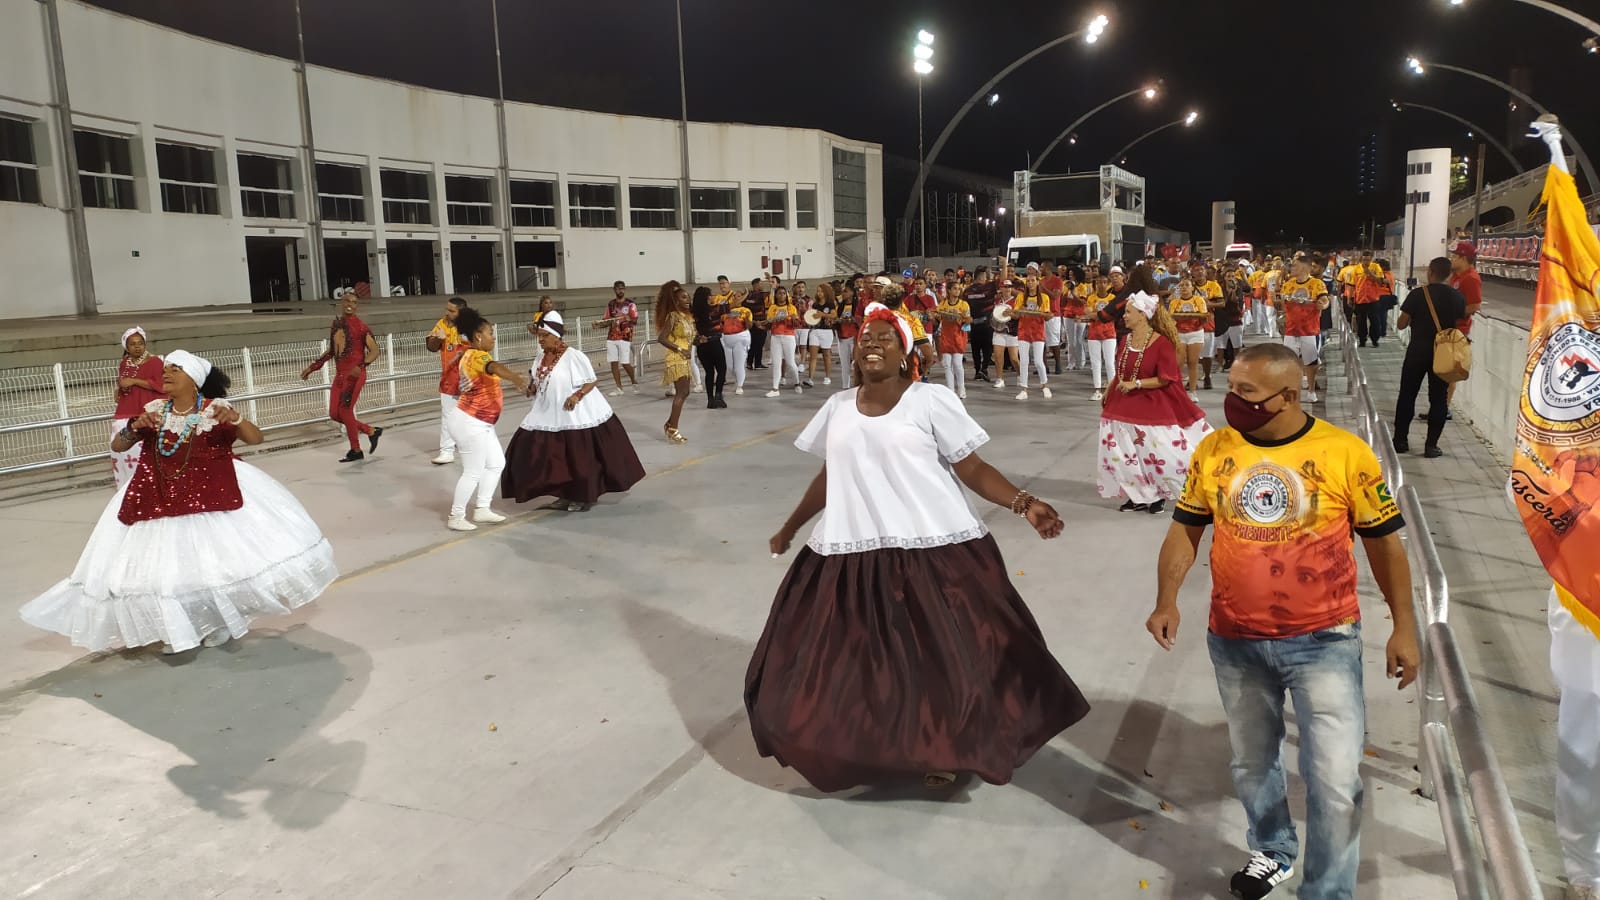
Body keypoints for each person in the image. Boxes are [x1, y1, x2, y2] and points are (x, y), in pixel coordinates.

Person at [745, 306, 1089, 792]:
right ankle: (875, 745)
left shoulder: (930, 401)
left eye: (886, 337)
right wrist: (791, 526)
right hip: (850, 552)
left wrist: (1024, 504)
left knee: (940, 659)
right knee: (856, 664)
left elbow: (971, 468)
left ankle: (944, 750)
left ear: (906, 351)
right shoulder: (838, 407)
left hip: (933, 549)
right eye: (866, 337)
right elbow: (830, 477)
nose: (872, 344)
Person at [1146, 342, 1418, 900]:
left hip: (1324, 641)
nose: (1232, 401)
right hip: (1235, 640)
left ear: (1289, 395)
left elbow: (1385, 546)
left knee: (1336, 782)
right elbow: (1186, 528)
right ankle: (1273, 851)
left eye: (1246, 392)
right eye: (1232, 386)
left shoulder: (1345, 453)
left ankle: (1328, 890)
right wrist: (1166, 598)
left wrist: (1404, 626)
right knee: (1251, 763)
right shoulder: (1214, 450)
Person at [22, 350, 336, 653]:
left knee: (209, 565)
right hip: (156, 495)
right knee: (165, 570)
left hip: (209, 497)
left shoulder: (214, 410)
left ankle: (217, 621)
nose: (167, 373)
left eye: (176, 369)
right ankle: (177, 627)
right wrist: (134, 428)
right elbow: (118, 446)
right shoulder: (156, 410)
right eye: (166, 369)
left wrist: (237, 418)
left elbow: (255, 439)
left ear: (194, 379)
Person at [500, 311, 646, 513]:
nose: (540, 340)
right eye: (539, 336)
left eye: (544, 335)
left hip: (574, 414)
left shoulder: (574, 356)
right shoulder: (540, 358)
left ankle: (582, 496)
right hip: (547, 413)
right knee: (546, 456)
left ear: (556, 335)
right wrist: (531, 389)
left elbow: (591, 380)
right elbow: (537, 380)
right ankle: (563, 495)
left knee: (578, 458)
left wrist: (577, 396)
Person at [1096, 291, 1211, 514]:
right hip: (1120, 404)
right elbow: (1121, 371)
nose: (1124, 317)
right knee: (1124, 453)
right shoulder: (1125, 340)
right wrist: (1109, 390)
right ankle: (1137, 494)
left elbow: (1165, 378)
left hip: (1151, 403)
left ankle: (1159, 494)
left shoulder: (1161, 343)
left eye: (1128, 312)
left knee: (1156, 452)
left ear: (1142, 315)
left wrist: (1135, 384)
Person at [443, 308, 529, 532]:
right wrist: (513, 377)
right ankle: (456, 516)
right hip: (470, 421)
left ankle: (482, 509)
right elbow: (494, 368)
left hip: (480, 422)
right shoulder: (477, 355)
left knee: (496, 463)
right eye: (491, 333)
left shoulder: (474, 355)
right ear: (478, 336)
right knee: (473, 471)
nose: (494, 337)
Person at [1393, 257, 1467, 458]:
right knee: (1439, 400)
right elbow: (1462, 318)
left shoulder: (1418, 294)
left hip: (1417, 352)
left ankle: (1400, 441)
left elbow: (1401, 324)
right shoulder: (1457, 296)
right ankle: (1431, 446)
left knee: (1407, 395)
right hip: (1443, 356)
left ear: (1430, 272)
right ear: (1449, 274)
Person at [301, 291, 383, 463]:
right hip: (340, 376)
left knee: (345, 411)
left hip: (354, 375)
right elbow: (332, 350)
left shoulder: (361, 327)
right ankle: (370, 431)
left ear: (357, 305)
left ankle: (356, 449)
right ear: (341, 302)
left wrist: (361, 366)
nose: (349, 304)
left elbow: (375, 351)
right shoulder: (336, 323)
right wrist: (313, 366)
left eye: (353, 302)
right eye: (347, 300)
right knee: (334, 414)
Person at [110, 326, 165, 488]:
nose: (137, 346)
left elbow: (162, 386)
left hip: (146, 411)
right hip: (126, 409)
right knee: (120, 450)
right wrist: (120, 387)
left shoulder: (155, 362)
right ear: (126, 346)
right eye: (133, 344)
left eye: (140, 343)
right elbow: (123, 380)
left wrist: (135, 382)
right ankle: (125, 487)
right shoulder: (124, 363)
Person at [1279, 258, 1329, 404]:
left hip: (1309, 330)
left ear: (1305, 268)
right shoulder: (1288, 285)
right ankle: (1292, 390)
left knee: (1311, 362)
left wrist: (1323, 305)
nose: (1292, 268)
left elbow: (1324, 300)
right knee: (1290, 362)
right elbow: (1283, 305)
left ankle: (1311, 390)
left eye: (1295, 265)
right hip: (1290, 330)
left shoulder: (1316, 284)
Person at [427, 297, 469, 465]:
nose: (447, 313)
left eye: (452, 311)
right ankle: (446, 451)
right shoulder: (442, 324)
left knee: (472, 416)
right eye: (447, 309)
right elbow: (431, 346)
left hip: (470, 380)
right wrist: (438, 338)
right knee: (448, 417)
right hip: (449, 380)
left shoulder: (472, 326)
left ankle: (471, 444)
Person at [1445, 240, 1484, 415]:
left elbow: (1475, 305)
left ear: (1463, 258)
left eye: (1454, 256)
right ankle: (1441, 406)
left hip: (1459, 329)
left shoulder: (1471, 278)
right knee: (1444, 368)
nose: (1451, 259)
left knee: (1450, 371)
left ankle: (1444, 408)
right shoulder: (1456, 276)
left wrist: (1454, 314)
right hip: (1451, 328)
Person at [656, 281, 695, 444]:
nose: (688, 300)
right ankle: (673, 428)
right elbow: (662, 338)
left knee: (685, 392)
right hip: (675, 356)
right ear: (677, 301)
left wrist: (698, 340)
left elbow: (689, 337)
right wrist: (680, 349)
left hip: (685, 356)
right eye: (684, 297)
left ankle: (669, 424)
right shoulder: (673, 316)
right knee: (681, 392)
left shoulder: (687, 317)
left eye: (688, 297)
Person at [1011, 270, 1054, 401]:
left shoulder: (1044, 298)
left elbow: (1047, 316)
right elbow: (1016, 315)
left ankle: (1045, 385)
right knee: (1024, 361)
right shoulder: (1020, 297)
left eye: (1032, 280)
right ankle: (1024, 389)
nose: (1030, 283)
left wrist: (1046, 315)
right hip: (1024, 331)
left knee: (1038, 361)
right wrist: (1010, 313)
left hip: (1038, 331)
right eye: (1028, 281)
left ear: (1037, 282)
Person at [1168, 277, 1210, 400]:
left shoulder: (1199, 300)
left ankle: (1192, 391)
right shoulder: (1174, 302)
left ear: (1192, 287)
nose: (1184, 288)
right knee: (1179, 363)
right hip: (1180, 333)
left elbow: (1203, 317)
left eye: (1187, 285)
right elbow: (1171, 318)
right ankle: (1178, 391)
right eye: (1181, 286)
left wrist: (1205, 317)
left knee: (1193, 362)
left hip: (1195, 333)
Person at [596, 281, 641, 396]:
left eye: (622, 288)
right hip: (611, 337)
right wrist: (600, 324)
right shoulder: (610, 304)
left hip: (625, 337)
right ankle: (619, 388)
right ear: (614, 290)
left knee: (625, 362)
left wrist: (627, 318)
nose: (620, 291)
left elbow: (635, 320)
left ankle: (634, 382)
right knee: (613, 362)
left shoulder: (630, 304)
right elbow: (606, 320)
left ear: (625, 289)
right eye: (618, 289)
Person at [690, 285, 728, 409]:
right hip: (714, 343)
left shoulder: (693, 312)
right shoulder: (715, 309)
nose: (712, 297)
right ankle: (718, 395)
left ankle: (710, 400)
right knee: (721, 369)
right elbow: (733, 305)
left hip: (702, 346)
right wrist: (745, 294)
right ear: (707, 297)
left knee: (709, 372)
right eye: (711, 295)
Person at [765, 285, 803, 398]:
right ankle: (775, 388)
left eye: (783, 293)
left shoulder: (791, 307)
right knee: (776, 363)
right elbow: (768, 322)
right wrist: (774, 319)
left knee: (790, 362)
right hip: (776, 336)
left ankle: (797, 382)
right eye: (779, 293)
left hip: (788, 336)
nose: (781, 295)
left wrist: (794, 319)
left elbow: (796, 324)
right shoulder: (772, 308)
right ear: (776, 295)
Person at [934, 286, 972, 399]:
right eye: (954, 288)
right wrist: (934, 316)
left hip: (958, 336)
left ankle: (961, 388)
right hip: (946, 336)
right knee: (947, 364)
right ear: (949, 291)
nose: (957, 291)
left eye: (958, 289)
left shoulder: (964, 304)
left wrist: (964, 318)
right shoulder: (943, 304)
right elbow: (937, 317)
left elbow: (969, 319)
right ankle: (950, 390)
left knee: (957, 364)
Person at [717, 279, 753, 396]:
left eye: (739, 296)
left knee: (739, 364)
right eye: (734, 297)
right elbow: (720, 324)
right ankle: (737, 379)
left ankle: (740, 385)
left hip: (740, 337)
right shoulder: (726, 311)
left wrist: (747, 318)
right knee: (730, 366)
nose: (736, 298)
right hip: (727, 338)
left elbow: (749, 326)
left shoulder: (745, 310)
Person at [964, 267, 998, 383]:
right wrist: (1003, 263)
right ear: (982, 277)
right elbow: (1002, 279)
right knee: (987, 348)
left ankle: (978, 370)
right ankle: (984, 369)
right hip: (987, 323)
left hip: (973, 324)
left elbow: (964, 306)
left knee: (975, 349)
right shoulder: (989, 287)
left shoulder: (967, 291)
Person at [801, 282, 838, 387]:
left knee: (826, 355)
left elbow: (834, 315)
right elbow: (811, 315)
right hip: (815, 331)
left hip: (826, 331)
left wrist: (823, 314)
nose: (819, 293)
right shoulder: (815, 304)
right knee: (813, 356)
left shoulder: (830, 303)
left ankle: (827, 376)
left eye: (821, 291)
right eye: (818, 291)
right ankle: (810, 379)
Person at [1351, 255, 1390, 348]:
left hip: (1373, 298)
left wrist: (1370, 273)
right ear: (1361, 259)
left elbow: (1380, 281)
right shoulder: (1356, 269)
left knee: (1375, 320)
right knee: (1361, 321)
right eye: (1364, 259)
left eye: (1368, 260)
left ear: (1371, 260)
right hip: (1360, 299)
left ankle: (1375, 340)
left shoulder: (1376, 267)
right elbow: (1352, 284)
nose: (1366, 262)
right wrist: (1350, 297)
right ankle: (1362, 340)